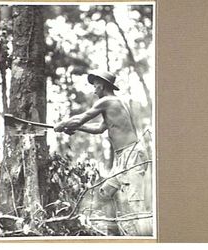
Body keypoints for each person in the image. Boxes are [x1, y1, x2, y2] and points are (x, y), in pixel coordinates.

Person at [54, 71, 151, 236]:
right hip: (122, 158)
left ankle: (147, 241)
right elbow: (99, 129)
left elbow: (81, 118)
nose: (94, 89)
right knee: (105, 194)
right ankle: (113, 236)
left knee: (136, 204)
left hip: (132, 155)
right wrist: (74, 127)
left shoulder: (107, 101)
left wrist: (63, 124)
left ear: (103, 85)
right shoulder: (114, 103)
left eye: (95, 84)